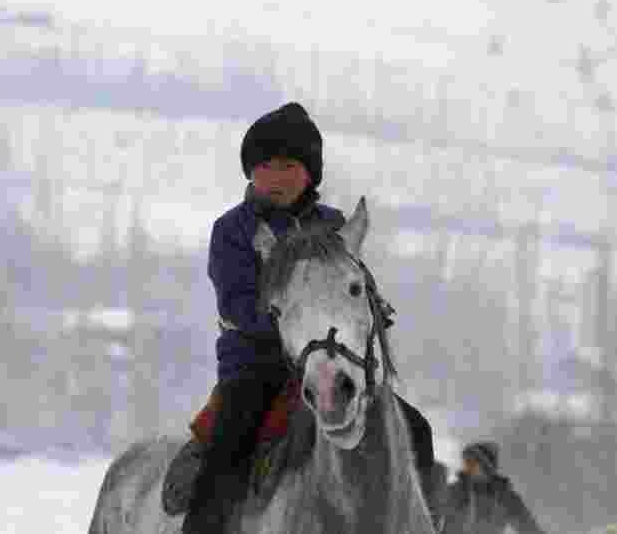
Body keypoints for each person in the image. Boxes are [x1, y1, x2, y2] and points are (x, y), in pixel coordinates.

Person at [182, 102, 436, 534]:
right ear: (249, 172)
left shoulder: (334, 227)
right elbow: (237, 306)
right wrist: (296, 329)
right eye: (264, 165)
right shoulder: (233, 231)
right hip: (256, 368)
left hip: (334, 361)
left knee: (416, 429)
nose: (275, 177)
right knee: (227, 451)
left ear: (310, 172)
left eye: (288, 165)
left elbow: (352, 288)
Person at [443, 441, 546, 534]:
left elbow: (527, 526)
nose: (467, 467)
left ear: (486, 466)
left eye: (472, 463)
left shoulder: (504, 496)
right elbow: (434, 520)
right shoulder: (454, 492)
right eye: (466, 462)